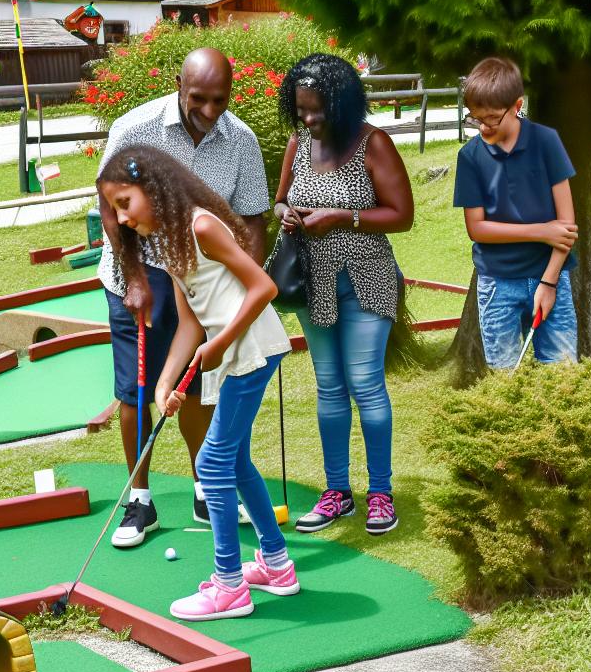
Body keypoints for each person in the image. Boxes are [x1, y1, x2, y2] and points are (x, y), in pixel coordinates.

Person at [99, 146, 295, 620]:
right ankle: (276, 565)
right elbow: (189, 323)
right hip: (233, 353)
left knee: (211, 463)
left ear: (153, 189)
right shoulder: (167, 242)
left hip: (251, 350)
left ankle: (229, 585)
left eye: (125, 203)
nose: (121, 219)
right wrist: (166, 383)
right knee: (235, 460)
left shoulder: (201, 226)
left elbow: (262, 288)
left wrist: (222, 341)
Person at [96, 47, 271, 548]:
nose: (211, 110)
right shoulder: (136, 128)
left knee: (194, 384)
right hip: (136, 274)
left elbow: (253, 216)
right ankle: (139, 499)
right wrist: (132, 276)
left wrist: (246, 285)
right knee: (134, 389)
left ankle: (204, 486)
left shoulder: (240, 140)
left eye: (220, 99)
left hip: (199, 277)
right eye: (199, 98)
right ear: (179, 83)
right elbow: (112, 207)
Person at [272, 54, 413, 536]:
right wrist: (285, 214)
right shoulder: (299, 142)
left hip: (368, 280)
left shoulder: (373, 143)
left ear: (343, 102)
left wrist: (343, 217)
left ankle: (380, 494)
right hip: (315, 283)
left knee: (366, 383)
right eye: (302, 110)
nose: (309, 119)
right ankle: (337, 493)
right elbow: (281, 197)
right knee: (329, 386)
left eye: (318, 110)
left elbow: (402, 214)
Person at [453, 56, 579, 370]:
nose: (483, 126)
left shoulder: (546, 142)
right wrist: (541, 231)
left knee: (563, 375)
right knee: (504, 376)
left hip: (551, 276)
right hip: (497, 283)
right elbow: (477, 229)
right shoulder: (469, 157)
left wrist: (548, 284)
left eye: (493, 118)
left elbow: (567, 227)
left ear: (517, 105)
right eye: (476, 118)